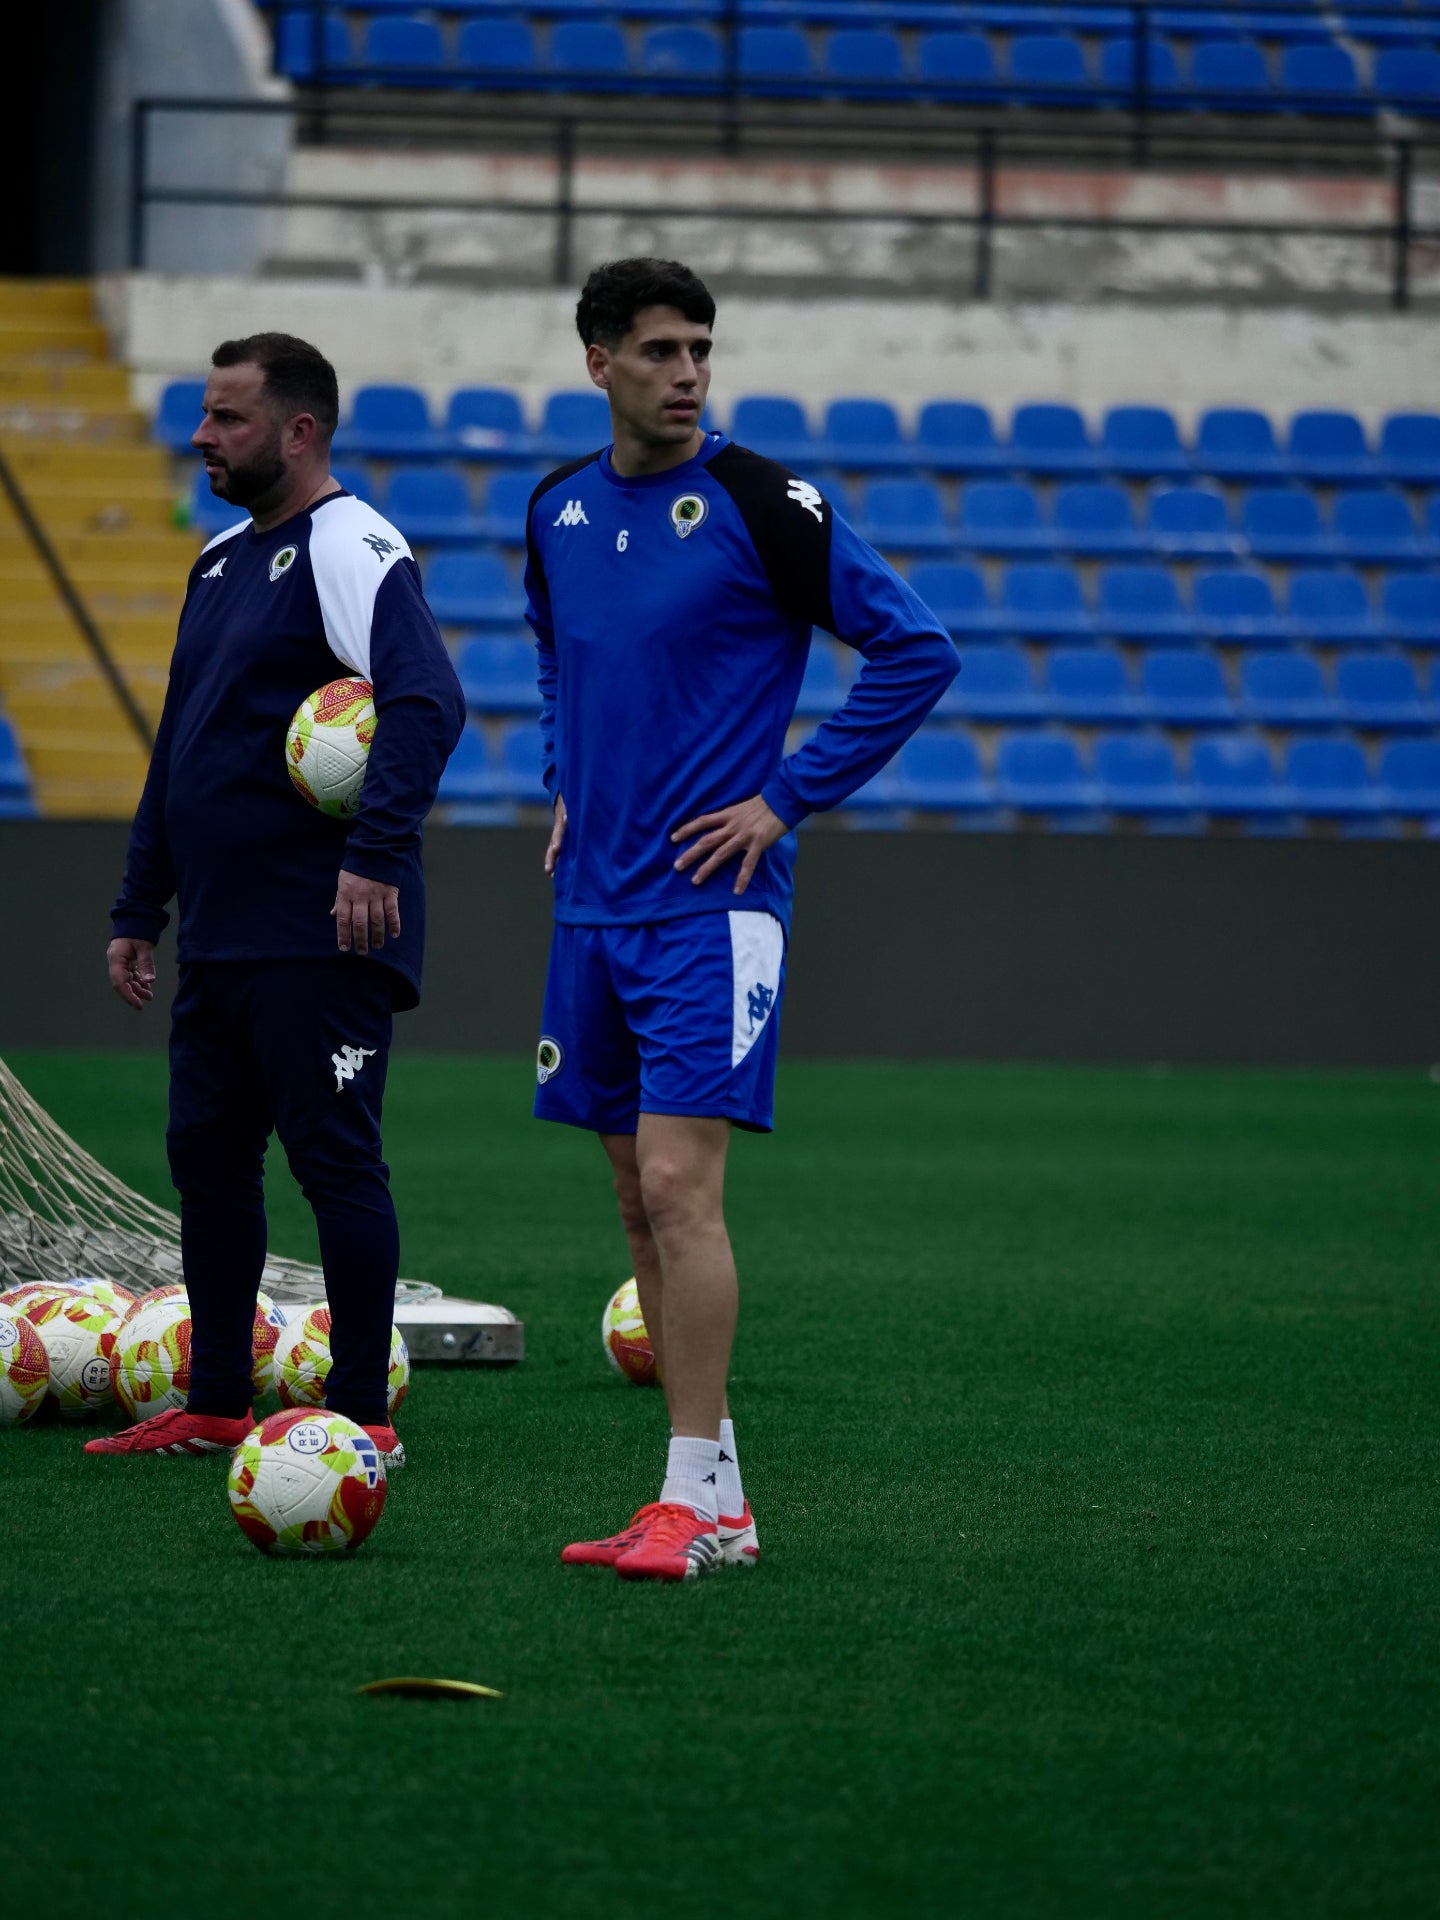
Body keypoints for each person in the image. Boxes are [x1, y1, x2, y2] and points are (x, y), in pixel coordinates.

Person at [526, 258, 960, 1580]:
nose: (688, 374)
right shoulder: (555, 509)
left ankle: (695, 1498)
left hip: (712, 911)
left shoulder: (765, 501)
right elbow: (555, 652)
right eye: (660, 350)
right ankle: (710, 1498)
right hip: (593, 908)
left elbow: (917, 649)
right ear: (598, 360)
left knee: (678, 1187)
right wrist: (562, 780)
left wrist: (786, 796)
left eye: (701, 350)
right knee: (633, 1200)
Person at [90, 332, 464, 1467]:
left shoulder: (353, 546)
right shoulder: (216, 562)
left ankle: (359, 1417)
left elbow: (426, 702)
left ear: (299, 431)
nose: (202, 435)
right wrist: (138, 906)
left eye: (228, 417)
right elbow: (182, 749)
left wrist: (373, 857)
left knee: (335, 1163)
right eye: (206, 413)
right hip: (221, 930)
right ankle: (215, 1403)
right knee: (207, 1164)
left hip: (324, 927)